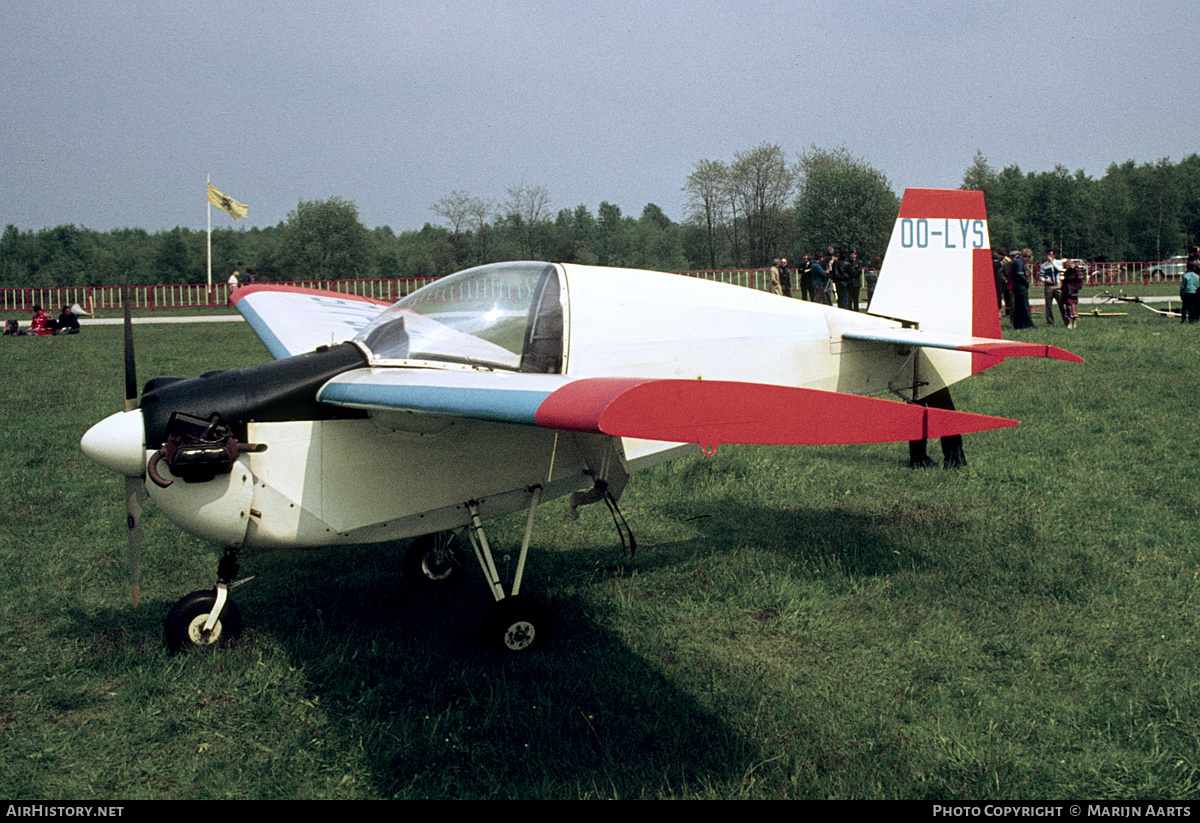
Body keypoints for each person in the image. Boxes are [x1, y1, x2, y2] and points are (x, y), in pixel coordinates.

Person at [1010, 250, 1035, 329]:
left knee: (1018, 307)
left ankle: (1018, 324)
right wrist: (1026, 282)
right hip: (1021, 286)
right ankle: (1029, 323)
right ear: (1027, 257)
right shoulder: (1020, 262)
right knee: (1025, 306)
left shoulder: (1015, 261)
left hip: (1015, 286)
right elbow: (1020, 273)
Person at [1040, 250, 1063, 326]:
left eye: (1050, 254)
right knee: (1048, 306)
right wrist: (1045, 280)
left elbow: (1060, 269)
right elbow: (1041, 276)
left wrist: (1052, 262)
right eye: (1048, 254)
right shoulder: (1044, 265)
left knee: (1062, 304)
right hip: (1048, 287)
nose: (1048, 256)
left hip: (1057, 286)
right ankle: (1050, 323)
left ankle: (1067, 321)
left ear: (1054, 256)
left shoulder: (1058, 263)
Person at [1061, 259, 1085, 329]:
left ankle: (1072, 322)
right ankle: (1071, 322)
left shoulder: (1077, 271)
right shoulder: (1067, 272)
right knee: (1068, 308)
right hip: (1066, 293)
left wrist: (1072, 288)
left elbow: (1080, 284)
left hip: (1072, 293)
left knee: (1072, 308)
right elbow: (1065, 282)